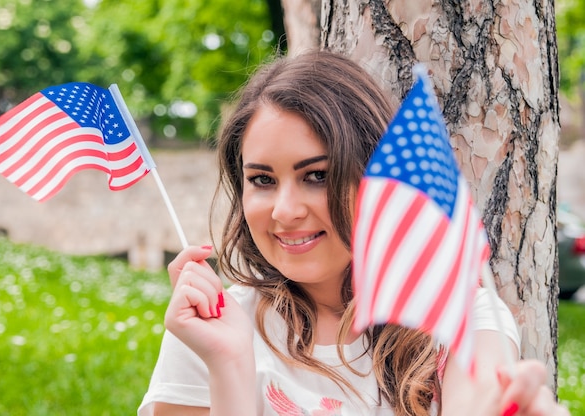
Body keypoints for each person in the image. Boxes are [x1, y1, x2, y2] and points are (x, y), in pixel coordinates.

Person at [138, 51, 570, 416]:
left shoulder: (461, 317)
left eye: (317, 175)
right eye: (263, 180)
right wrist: (229, 365)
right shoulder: (210, 331)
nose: (285, 212)